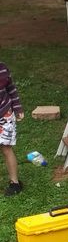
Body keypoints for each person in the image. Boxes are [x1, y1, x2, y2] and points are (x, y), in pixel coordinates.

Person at [0, 61, 25, 196]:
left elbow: (11, 89)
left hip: (4, 114)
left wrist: (17, 107)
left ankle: (15, 183)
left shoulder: (3, 69)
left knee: (6, 148)